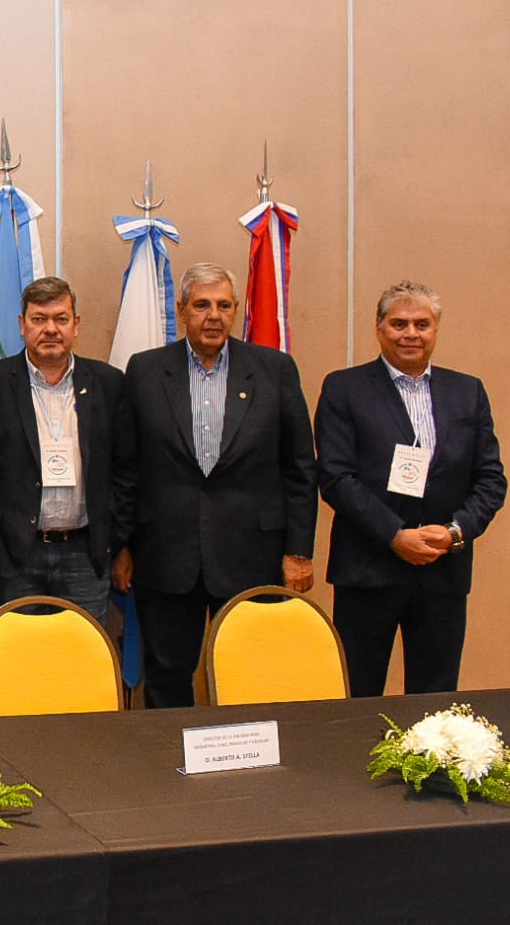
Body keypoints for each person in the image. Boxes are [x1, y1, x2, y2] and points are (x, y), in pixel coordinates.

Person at [121, 262, 318, 708]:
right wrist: (124, 546)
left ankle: (249, 768)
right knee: (168, 675)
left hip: (253, 552)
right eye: (202, 305)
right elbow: (129, 466)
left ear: (236, 311)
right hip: (167, 554)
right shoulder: (146, 371)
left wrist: (298, 551)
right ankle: (168, 765)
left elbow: (301, 467)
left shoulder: (274, 369)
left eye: (224, 306)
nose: (214, 315)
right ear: (182, 310)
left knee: (251, 670)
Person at [315, 281, 506, 696]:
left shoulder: (467, 391)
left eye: (422, 323)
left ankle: (428, 766)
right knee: (358, 697)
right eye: (399, 323)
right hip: (367, 571)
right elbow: (335, 477)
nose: (411, 333)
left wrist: (455, 531)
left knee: (435, 701)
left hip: (443, 571)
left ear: (436, 329)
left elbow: (491, 479)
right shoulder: (344, 389)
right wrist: (394, 535)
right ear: (379, 328)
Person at [0, 277, 133, 621]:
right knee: (14, 661)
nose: (51, 329)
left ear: (77, 324)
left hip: (84, 556)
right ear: (22, 325)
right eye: (39, 319)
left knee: (82, 661)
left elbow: (126, 469)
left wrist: (112, 538)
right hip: (14, 557)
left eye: (61, 318)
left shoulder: (109, 383)